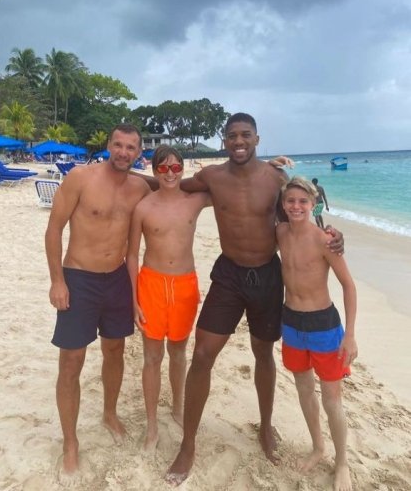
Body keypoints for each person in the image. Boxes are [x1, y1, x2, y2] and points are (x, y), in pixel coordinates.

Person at [165, 112, 344, 485]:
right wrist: (129, 178)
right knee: (203, 354)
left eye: (245, 135)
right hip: (229, 275)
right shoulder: (212, 177)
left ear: (257, 139)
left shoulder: (275, 178)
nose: (238, 141)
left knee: (263, 353)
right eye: (232, 135)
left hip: (266, 275)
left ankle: (265, 426)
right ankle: (188, 443)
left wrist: (333, 236)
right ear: (224, 140)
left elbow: (299, 216)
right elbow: (171, 184)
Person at [45, 123, 150, 480]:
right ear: (108, 145)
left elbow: (179, 186)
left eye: (131, 147)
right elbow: (54, 228)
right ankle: (70, 442)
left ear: (139, 152)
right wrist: (57, 280)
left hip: (117, 278)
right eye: (118, 145)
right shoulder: (81, 178)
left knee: (115, 350)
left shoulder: (140, 187)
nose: (123, 152)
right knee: (71, 361)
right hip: (79, 279)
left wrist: (261, 169)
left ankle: (109, 413)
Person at [126, 145, 211, 452]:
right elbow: (132, 254)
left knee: (178, 351)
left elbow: (235, 187)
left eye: (176, 168)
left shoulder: (195, 201)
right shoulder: (143, 207)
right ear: (155, 171)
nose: (170, 173)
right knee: (152, 357)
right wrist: (133, 299)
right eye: (164, 168)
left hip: (185, 285)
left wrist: (270, 168)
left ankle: (178, 407)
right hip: (151, 284)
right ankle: (151, 425)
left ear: (183, 169)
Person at [276, 177, 357, 491]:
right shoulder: (280, 233)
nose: (296, 206)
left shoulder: (325, 240)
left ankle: (342, 462)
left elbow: (348, 286)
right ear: (283, 204)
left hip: (324, 325)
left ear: (313, 204)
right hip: (292, 323)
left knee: (332, 400)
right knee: (304, 390)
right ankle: (318, 447)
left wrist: (350, 335)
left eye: (303, 201)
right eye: (291, 201)